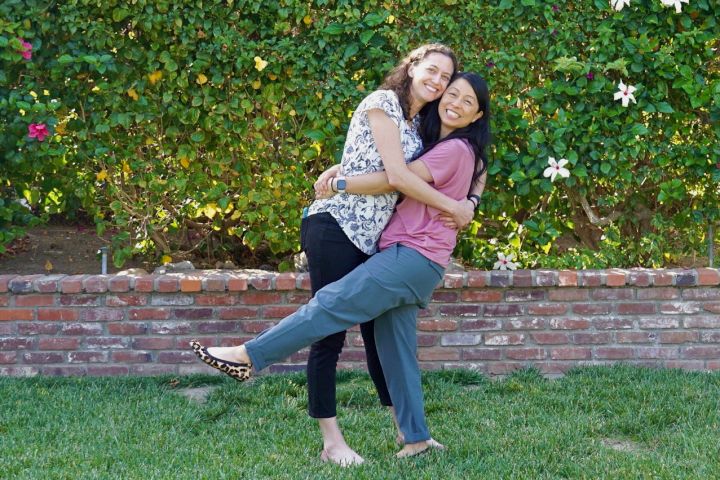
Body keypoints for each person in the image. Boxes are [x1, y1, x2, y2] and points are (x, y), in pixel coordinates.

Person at [191, 71, 491, 461]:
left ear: (476, 115)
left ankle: (249, 356)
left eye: (468, 102)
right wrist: (470, 202)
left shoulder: (455, 149)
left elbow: (394, 179)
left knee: (332, 303)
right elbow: (458, 169)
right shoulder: (442, 144)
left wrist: (340, 182)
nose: (456, 103)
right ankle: (417, 438)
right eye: (453, 94)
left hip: (412, 256)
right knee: (396, 353)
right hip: (418, 259)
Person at [298, 43, 476, 466]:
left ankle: (408, 433)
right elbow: (395, 175)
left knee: (377, 336)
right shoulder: (383, 102)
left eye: (445, 77)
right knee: (329, 331)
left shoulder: (421, 126)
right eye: (431, 71)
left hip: (375, 240)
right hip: (337, 227)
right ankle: (332, 443)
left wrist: (471, 202)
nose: (437, 82)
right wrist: (453, 208)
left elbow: (378, 163)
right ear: (412, 67)